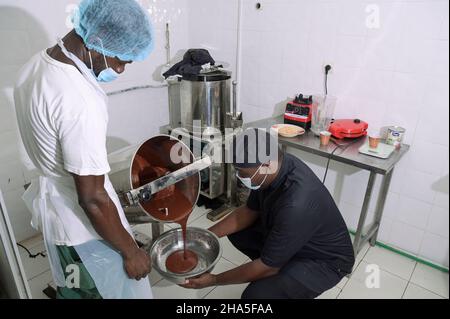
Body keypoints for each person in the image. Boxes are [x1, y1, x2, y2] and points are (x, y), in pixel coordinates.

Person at [14, 0, 154, 299]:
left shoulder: (36, 65)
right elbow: (92, 199)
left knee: (72, 289)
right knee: (107, 291)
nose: (121, 68)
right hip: (84, 232)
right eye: (121, 59)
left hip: (55, 216)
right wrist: (131, 252)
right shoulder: (80, 100)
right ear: (98, 41)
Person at [182, 129, 355, 299]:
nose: (238, 176)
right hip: (294, 239)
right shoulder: (272, 171)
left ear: (266, 165)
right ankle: (277, 263)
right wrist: (204, 236)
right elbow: (248, 211)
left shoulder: (296, 203)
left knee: (255, 296)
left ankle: (280, 272)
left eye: (242, 173)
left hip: (324, 261)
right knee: (238, 233)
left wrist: (213, 280)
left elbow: (267, 266)